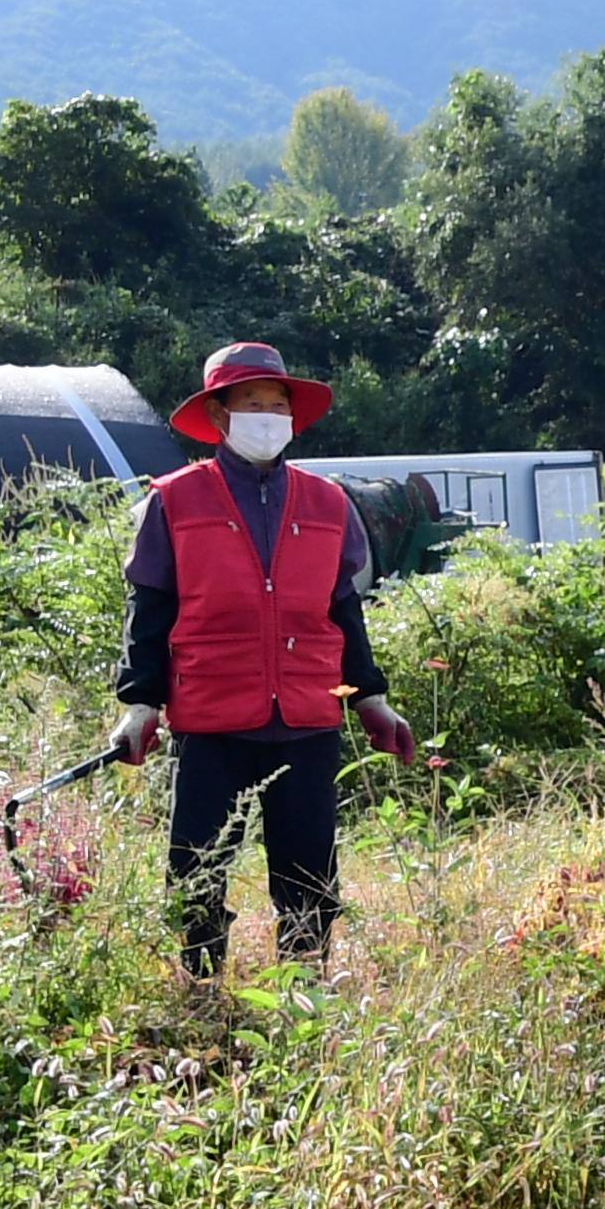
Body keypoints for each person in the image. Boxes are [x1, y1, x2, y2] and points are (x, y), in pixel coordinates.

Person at [109, 341, 414, 976]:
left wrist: (372, 699)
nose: (269, 417)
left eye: (279, 406)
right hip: (210, 720)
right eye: (253, 404)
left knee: (308, 880)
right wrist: (139, 705)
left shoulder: (328, 503)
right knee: (197, 874)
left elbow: (342, 611)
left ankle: (305, 999)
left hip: (305, 720)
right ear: (220, 415)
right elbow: (150, 607)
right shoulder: (175, 499)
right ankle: (199, 996)